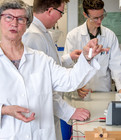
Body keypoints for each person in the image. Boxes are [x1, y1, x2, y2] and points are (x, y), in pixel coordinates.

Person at [0, 0, 107, 139]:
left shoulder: (41, 59)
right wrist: (3, 110)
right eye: (8, 17)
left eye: (21, 19)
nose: (14, 23)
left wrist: (86, 58)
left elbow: (69, 80)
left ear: (27, 24)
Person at [21, 0, 89, 139]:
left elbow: (47, 66)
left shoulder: (42, 32)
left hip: (48, 111)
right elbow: (38, 86)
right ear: (50, 10)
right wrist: (69, 112)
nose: (61, 16)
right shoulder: (33, 36)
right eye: (61, 12)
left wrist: (68, 58)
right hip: (40, 115)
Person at [63, 0, 121, 98]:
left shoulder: (110, 36)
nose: (99, 21)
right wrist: (75, 86)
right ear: (85, 15)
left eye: (101, 16)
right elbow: (68, 67)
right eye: (95, 18)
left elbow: (117, 65)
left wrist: (120, 88)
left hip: (103, 92)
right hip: (80, 93)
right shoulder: (73, 36)